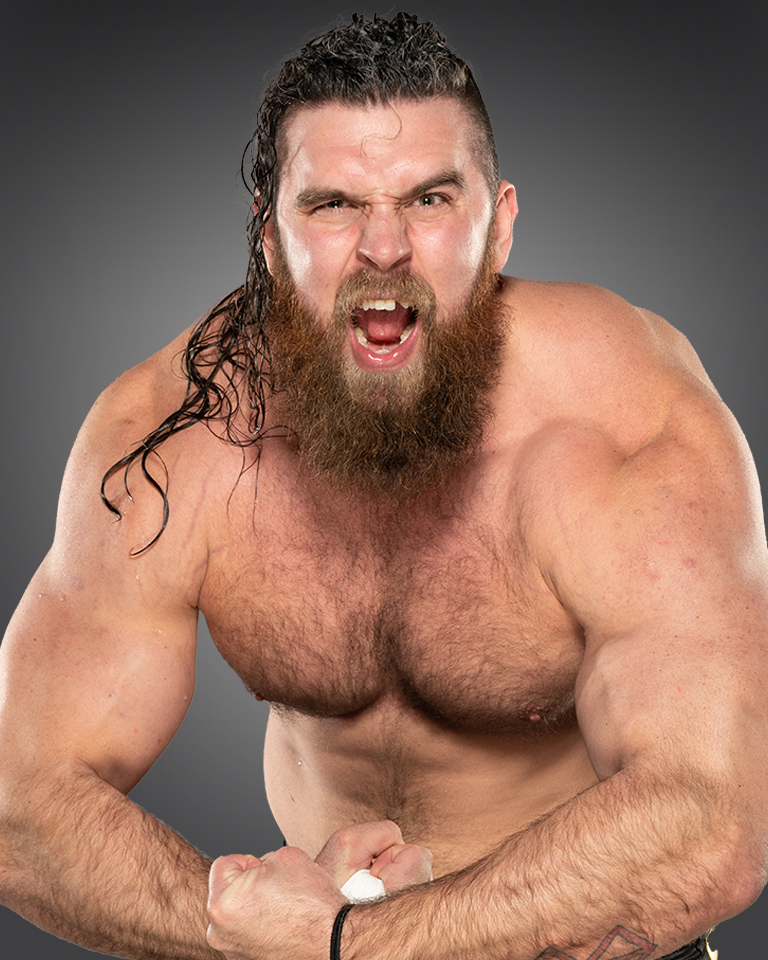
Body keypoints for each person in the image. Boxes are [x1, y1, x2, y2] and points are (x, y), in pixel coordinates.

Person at [0, 11, 766, 960]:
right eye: (333, 205)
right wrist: (246, 926)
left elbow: (714, 820)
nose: (385, 248)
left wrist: (349, 942)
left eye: (430, 199)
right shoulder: (173, 438)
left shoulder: (625, 419)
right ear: (269, 238)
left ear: (500, 226)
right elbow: (19, 801)